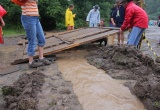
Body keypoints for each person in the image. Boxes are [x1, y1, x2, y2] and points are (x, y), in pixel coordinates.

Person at [20, 0, 51, 68]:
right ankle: (31, 62)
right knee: (32, 40)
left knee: (41, 38)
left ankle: (41, 58)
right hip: (28, 17)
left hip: (35, 17)